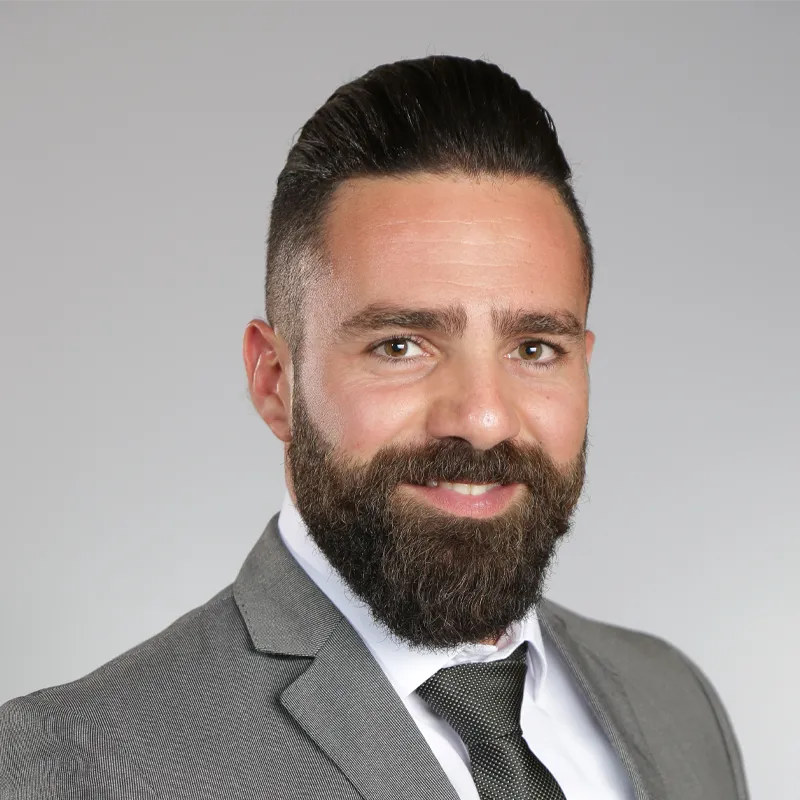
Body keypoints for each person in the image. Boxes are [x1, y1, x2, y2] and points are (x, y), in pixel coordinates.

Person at [0, 55, 749, 800]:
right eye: (400, 346)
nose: (483, 420)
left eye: (534, 349)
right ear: (274, 381)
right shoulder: (77, 765)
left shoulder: (676, 702)